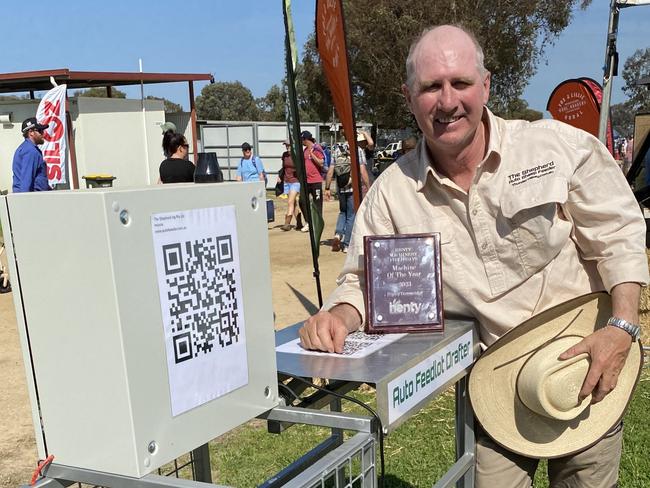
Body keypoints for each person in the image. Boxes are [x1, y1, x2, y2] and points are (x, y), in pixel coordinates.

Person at [298, 25, 648, 487]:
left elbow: (618, 232)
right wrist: (339, 315)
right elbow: (364, 281)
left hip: (587, 371)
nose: (447, 102)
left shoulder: (557, 147)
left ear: (486, 85)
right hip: (496, 389)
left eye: (460, 82)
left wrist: (622, 328)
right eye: (430, 87)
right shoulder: (390, 196)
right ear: (408, 96)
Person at [325, 130, 371, 253]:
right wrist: (369, 186)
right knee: (351, 215)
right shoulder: (357, 150)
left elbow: (330, 170)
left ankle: (338, 235)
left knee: (342, 212)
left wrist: (327, 188)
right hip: (353, 188)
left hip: (340, 187)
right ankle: (346, 244)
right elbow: (362, 171)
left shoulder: (336, 150)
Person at [12, 117, 51, 193]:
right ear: (31, 132)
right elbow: (26, 180)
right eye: (40, 131)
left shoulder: (25, 148)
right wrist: (25, 201)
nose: (43, 134)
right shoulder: (31, 151)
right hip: (33, 199)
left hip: (31, 197)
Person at [298, 131, 326, 233]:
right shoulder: (305, 150)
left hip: (316, 181)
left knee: (317, 203)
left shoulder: (317, 148)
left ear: (306, 139)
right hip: (306, 181)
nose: (301, 142)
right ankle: (308, 222)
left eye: (302, 140)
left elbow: (321, 163)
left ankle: (317, 224)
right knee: (302, 201)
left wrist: (312, 155)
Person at [279, 140, 304, 231]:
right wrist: (280, 176)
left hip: (295, 181)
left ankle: (287, 224)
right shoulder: (284, 155)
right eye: (286, 145)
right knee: (293, 203)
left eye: (289, 145)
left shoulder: (297, 155)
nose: (287, 146)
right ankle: (299, 223)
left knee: (290, 202)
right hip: (287, 181)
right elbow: (283, 167)